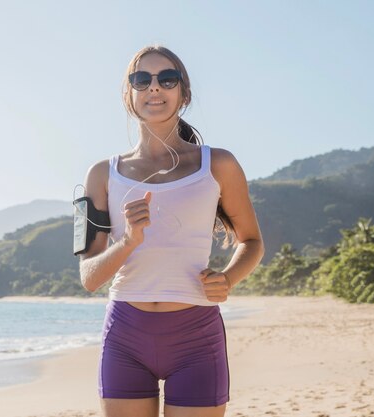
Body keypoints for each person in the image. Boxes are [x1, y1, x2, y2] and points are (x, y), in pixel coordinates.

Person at [77, 45, 265, 417]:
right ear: (128, 94)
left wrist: (228, 279)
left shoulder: (219, 164)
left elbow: (253, 241)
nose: (154, 88)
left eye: (167, 78)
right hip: (125, 336)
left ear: (184, 92)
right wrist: (129, 241)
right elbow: (88, 277)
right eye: (141, 79)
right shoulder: (100, 175)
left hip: (196, 335)